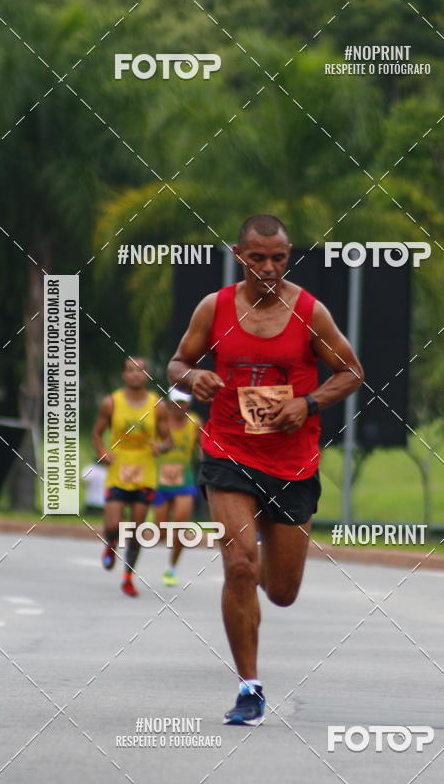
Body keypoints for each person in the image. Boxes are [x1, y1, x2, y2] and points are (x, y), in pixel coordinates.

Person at [168, 213, 364, 724]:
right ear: (240, 256)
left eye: (279, 258)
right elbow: (176, 364)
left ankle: (249, 585)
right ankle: (249, 688)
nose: (269, 267)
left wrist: (309, 403)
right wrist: (195, 378)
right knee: (238, 565)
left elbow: (351, 372)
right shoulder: (214, 308)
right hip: (228, 450)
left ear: (289, 254)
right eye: (258, 258)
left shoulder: (309, 312)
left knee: (280, 591)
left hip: (293, 462)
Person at [92, 357, 170, 597]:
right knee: (113, 525)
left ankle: (128, 577)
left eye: (140, 371)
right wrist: (102, 453)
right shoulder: (111, 403)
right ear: (124, 375)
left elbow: (168, 440)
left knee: (136, 529)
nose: (136, 375)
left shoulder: (157, 405)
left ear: (147, 375)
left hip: (145, 472)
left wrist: (161, 447)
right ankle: (111, 543)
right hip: (118, 470)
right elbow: (97, 433)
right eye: (130, 371)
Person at [154, 386, 201, 586]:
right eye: (175, 403)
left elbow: (201, 447)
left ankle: (171, 568)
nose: (178, 407)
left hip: (184, 480)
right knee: (161, 530)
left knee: (181, 528)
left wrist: (204, 454)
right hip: (160, 481)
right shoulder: (160, 422)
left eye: (182, 403)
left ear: (188, 403)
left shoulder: (195, 423)